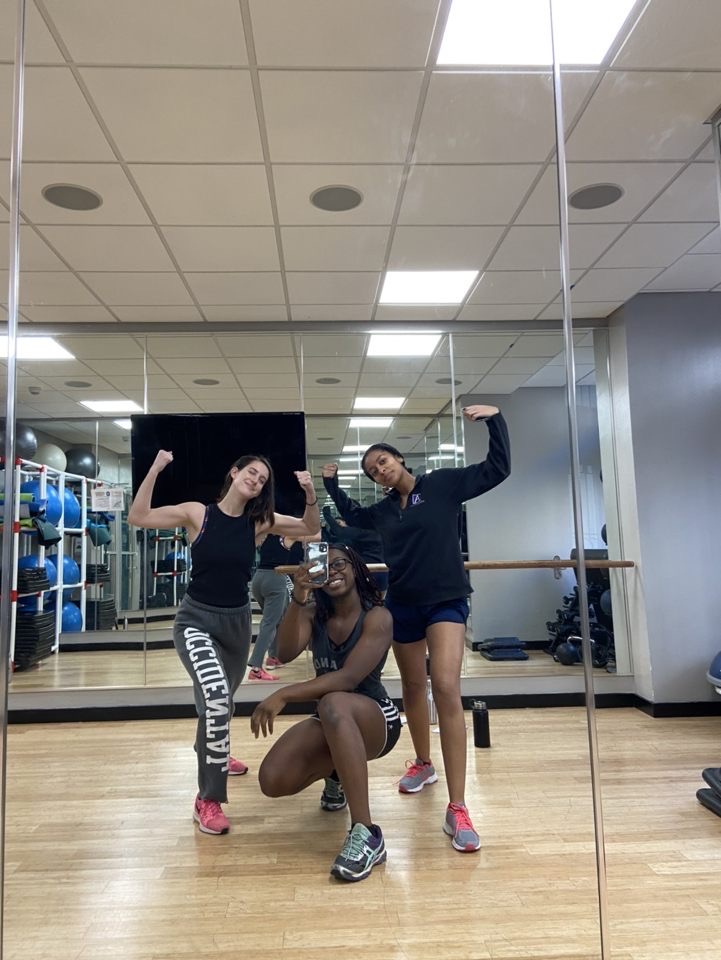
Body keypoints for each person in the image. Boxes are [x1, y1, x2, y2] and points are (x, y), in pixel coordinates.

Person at [322, 405, 510, 853]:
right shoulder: (385, 511)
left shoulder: (442, 484)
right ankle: (423, 763)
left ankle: (458, 806)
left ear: (399, 458)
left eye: (383, 461)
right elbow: (352, 515)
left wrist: (495, 420)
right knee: (411, 687)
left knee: (444, 686)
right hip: (403, 603)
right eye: (372, 471)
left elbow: (498, 468)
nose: (380, 471)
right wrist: (330, 485)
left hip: (445, 600)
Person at [128, 450, 320, 836]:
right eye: (251, 473)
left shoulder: (259, 522)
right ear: (234, 473)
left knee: (220, 703)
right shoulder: (197, 513)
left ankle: (213, 751)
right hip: (195, 620)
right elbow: (139, 516)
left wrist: (311, 494)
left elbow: (307, 527)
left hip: (236, 624)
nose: (255, 481)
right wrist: (155, 468)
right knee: (216, 698)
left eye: (262, 480)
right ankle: (208, 798)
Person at [251, 544, 400, 882]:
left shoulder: (377, 616)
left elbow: (348, 679)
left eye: (340, 564)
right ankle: (337, 775)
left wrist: (284, 694)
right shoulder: (312, 612)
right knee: (273, 779)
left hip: (377, 719)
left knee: (333, 701)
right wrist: (299, 596)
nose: (333, 572)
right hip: (331, 719)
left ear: (356, 568)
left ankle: (367, 833)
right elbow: (284, 652)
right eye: (324, 565)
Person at [247, 533, 302, 680]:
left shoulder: (265, 536)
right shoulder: (286, 537)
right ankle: (256, 668)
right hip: (275, 578)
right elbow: (314, 536)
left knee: (276, 619)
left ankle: (273, 657)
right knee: (270, 623)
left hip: (258, 579)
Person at [322, 504, 388, 593]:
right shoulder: (375, 532)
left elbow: (339, 531)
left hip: (368, 571)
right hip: (380, 571)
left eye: (339, 523)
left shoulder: (358, 533)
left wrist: (326, 513)